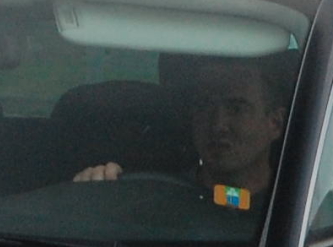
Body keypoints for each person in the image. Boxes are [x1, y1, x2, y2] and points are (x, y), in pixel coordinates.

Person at [73, 55, 287, 206]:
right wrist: (93, 192)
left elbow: (239, 200)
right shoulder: (151, 197)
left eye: (236, 109)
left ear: (275, 123)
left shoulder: (305, 211)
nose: (218, 124)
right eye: (205, 106)